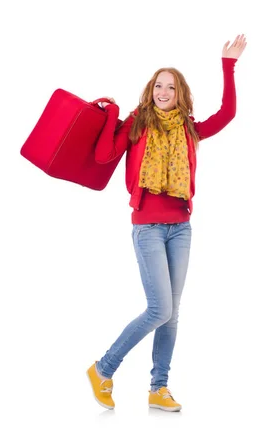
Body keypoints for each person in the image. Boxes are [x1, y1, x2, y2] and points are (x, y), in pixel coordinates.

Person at [86, 35, 247, 412]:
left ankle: (159, 387)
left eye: (170, 86)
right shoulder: (136, 124)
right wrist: (111, 113)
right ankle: (103, 368)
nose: (163, 91)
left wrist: (228, 65)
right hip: (148, 228)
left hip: (181, 227)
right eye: (158, 85)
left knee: (172, 313)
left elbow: (227, 114)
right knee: (160, 310)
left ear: (180, 93)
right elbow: (104, 152)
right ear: (150, 90)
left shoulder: (189, 129)